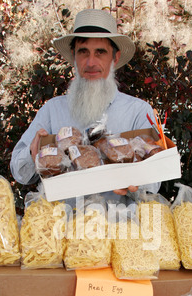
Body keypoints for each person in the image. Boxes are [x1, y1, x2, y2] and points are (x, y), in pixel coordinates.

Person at [10, 8, 158, 197]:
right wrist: (33, 156)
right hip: (63, 224)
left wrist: (132, 180)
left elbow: (154, 184)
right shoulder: (52, 111)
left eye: (100, 52)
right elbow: (19, 173)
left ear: (115, 57)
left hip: (119, 223)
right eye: (83, 52)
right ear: (74, 56)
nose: (90, 62)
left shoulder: (138, 112)